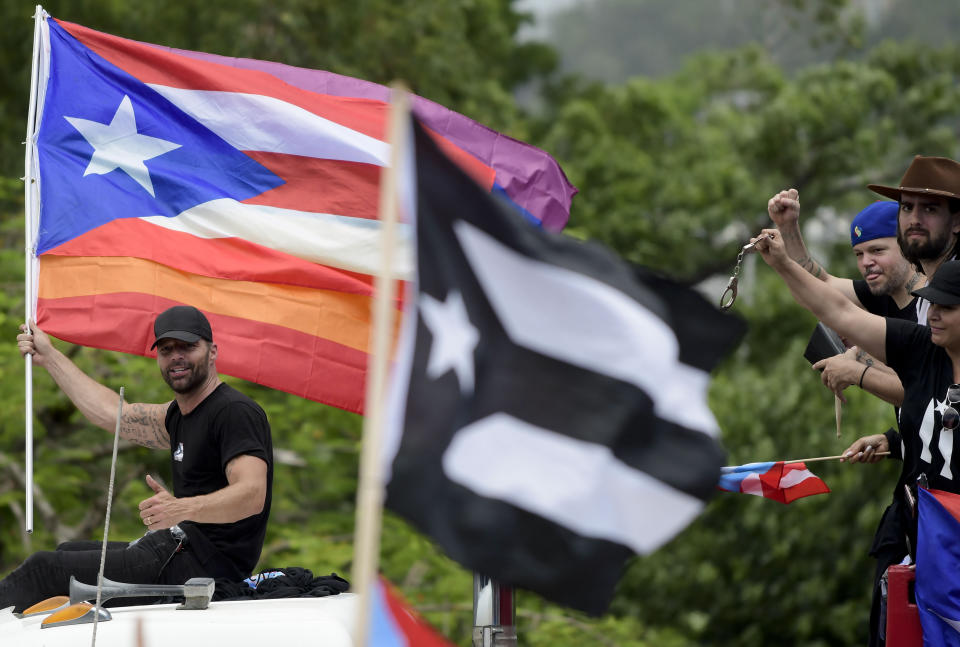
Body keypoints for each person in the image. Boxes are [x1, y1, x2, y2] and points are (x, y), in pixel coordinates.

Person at [754, 229, 960, 645]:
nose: (933, 313)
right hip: (931, 536)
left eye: (947, 306)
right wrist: (781, 263)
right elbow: (840, 312)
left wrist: (863, 375)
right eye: (931, 303)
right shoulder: (924, 349)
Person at [0, 305, 273, 613]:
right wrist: (49, 357)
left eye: (188, 347)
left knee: (44, 569)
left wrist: (182, 508)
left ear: (212, 352)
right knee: (66, 552)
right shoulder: (178, 415)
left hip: (200, 568)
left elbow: (252, 494)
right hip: (176, 549)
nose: (176, 356)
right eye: (167, 349)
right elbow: (114, 414)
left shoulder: (234, 412)